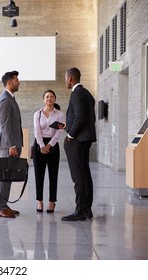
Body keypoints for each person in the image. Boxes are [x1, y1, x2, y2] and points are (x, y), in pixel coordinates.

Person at [62, 67, 96, 221]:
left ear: (70, 78)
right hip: (86, 139)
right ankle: (87, 209)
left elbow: (80, 118)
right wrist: (68, 126)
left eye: (65, 78)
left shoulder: (76, 94)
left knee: (78, 176)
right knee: (85, 174)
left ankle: (80, 210)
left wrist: (70, 134)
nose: (65, 81)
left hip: (77, 140)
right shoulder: (87, 93)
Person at [0, 70, 23, 219]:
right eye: (17, 80)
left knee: (9, 175)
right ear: (10, 82)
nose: (19, 82)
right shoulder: (5, 99)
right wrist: (12, 145)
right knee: (5, 176)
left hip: (12, 144)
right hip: (8, 145)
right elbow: (5, 125)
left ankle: (3, 204)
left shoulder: (10, 98)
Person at [33, 90, 65, 213]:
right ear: (43, 99)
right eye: (47, 97)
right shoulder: (37, 114)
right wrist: (41, 145)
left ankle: (52, 202)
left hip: (53, 145)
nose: (49, 99)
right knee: (38, 175)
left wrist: (49, 145)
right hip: (39, 145)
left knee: (53, 175)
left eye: (52, 96)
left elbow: (59, 131)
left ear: (55, 99)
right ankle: (39, 201)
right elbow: (37, 131)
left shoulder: (59, 114)